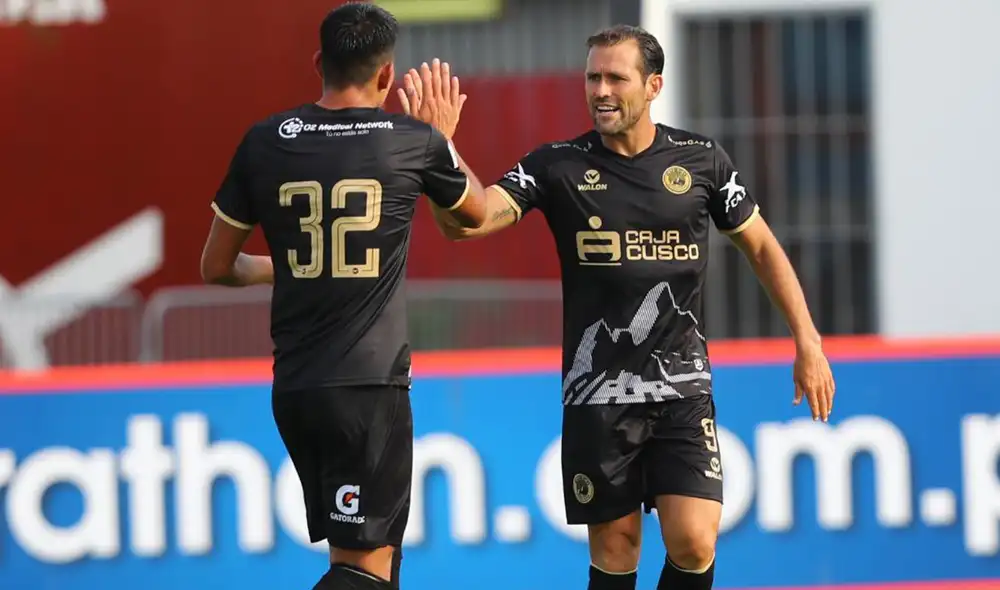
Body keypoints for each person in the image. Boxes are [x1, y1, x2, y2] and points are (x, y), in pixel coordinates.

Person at [400, 24, 835, 590]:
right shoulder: (556, 166)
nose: (601, 91)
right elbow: (470, 221)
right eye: (592, 78)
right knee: (617, 549)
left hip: (681, 388)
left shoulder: (702, 161)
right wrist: (442, 149)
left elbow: (762, 247)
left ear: (653, 85)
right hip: (598, 396)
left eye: (616, 78)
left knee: (695, 540)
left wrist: (807, 340)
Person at [198, 3, 487, 589]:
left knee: (380, 557)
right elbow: (476, 213)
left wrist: (284, 269)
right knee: (362, 568)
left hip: (297, 387)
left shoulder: (265, 141)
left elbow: (216, 266)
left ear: (318, 63)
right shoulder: (412, 141)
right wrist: (444, 140)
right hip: (368, 390)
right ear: (387, 75)